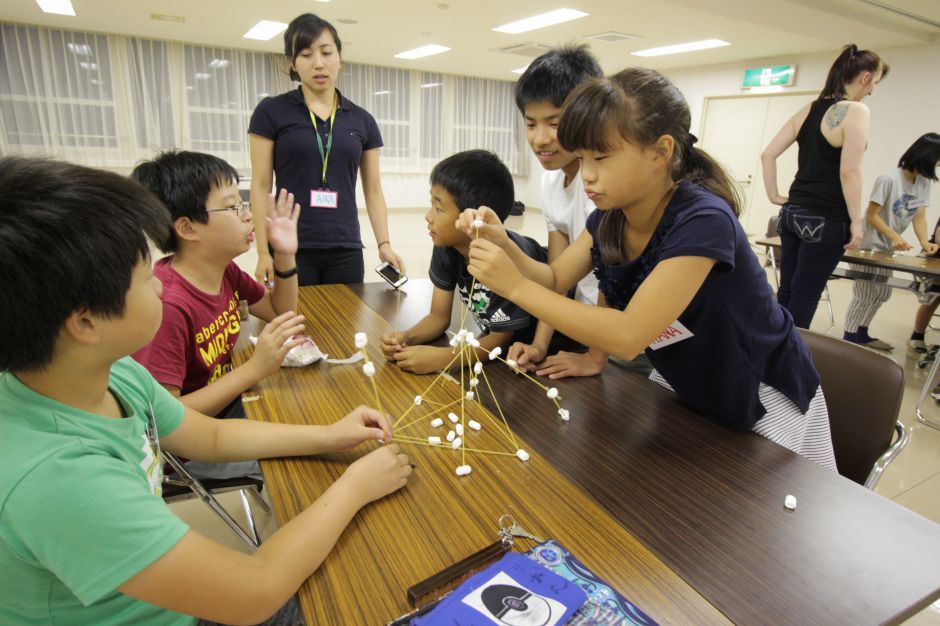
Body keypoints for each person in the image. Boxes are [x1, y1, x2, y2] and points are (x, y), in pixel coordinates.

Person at [0, 156, 412, 625]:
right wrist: (355, 485)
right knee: (359, 597)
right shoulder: (56, 479)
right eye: (144, 276)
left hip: (169, 592)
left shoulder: (111, 374)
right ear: (86, 321)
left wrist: (331, 435)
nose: (160, 283)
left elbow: (209, 438)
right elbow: (254, 594)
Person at [460, 68, 837, 470]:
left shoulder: (703, 220)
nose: (587, 174)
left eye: (601, 158)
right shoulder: (610, 218)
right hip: (687, 382)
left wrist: (515, 286)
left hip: (760, 392)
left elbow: (628, 335)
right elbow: (554, 278)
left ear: (660, 152)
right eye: (583, 158)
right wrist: (504, 243)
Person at [132, 151, 303, 421]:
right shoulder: (168, 307)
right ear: (187, 228)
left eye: (243, 203)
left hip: (226, 412)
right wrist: (253, 370)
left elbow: (279, 310)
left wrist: (284, 254)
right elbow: (163, 419)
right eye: (234, 207)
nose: (247, 216)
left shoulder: (226, 272)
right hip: (194, 452)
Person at [248, 13, 405, 287]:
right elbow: (261, 185)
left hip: (345, 246)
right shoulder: (271, 112)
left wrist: (384, 243)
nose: (318, 63)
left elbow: (374, 189)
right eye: (306, 54)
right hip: (290, 244)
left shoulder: (362, 120)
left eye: (326, 52)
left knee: (343, 325)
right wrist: (263, 251)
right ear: (292, 62)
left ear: (339, 57)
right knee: (292, 324)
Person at [380, 150, 546, 375]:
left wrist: (442, 358)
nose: (428, 216)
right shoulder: (446, 245)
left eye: (438, 208)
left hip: (550, 342)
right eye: (432, 204)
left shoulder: (503, 257)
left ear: (474, 218)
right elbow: (438, 316)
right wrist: (406, 337)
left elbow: (500, 340)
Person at [761, 44, 888, 328]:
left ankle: (769, 357)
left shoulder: (810, 108)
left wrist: (775, 196)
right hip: (827, 218)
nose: (872, 92)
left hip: (792, 214)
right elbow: (850, 172)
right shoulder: (856, 110)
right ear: (866, 77)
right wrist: (857, 222)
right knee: (806, 295)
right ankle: (785, 366)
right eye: (875, 83)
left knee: (788, 292)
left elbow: (767, 154)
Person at [507, 44, 609, 380]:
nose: (540, 139)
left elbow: (614, 275)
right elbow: (557, 277)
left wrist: (597, 358)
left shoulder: (603, 184)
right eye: (531, 124)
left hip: (623, 337)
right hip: (587, 326)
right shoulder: (551, 184)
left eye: (554, 123)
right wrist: (539, 345)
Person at [843, 132, 940, 349]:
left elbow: (919, 216)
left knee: (883, 292)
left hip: (885, 247)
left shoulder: (923, 182)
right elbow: (871, 215)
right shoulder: (889, 179)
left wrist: (925, 242)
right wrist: (895, 237)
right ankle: (849, 339)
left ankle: (861, 333)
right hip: (866, 245)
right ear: (927, 156)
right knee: (865, 293)